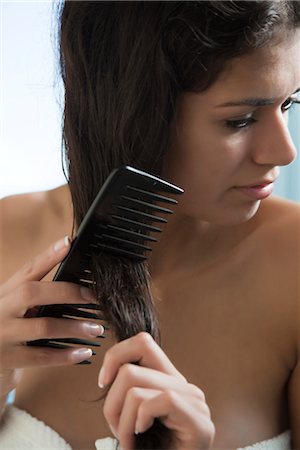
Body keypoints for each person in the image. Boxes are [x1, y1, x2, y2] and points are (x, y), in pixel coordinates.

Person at [0, 1, 300, 449]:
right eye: (239, 120)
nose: (284, 151)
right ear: (133, 110)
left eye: (290, 103)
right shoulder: (8, 235)